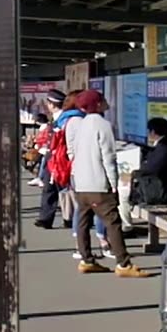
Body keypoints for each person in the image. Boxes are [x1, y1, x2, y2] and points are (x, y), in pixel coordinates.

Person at [64, 89, 142, 276]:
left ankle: (86, 260)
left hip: (81, 182)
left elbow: (73, 151)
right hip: (98, 183)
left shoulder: (79, 124)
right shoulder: (103, 125)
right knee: (112, 222)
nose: (106, 102)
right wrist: (114, 182)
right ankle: (124, 264)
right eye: (103, 100)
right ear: (97, 105)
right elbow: (108, 156)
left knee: (83, 222)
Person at [31, 91, 77, 229]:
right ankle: (46, 218)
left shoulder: (65, 119)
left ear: (52, 104)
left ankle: (69, 216)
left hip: (61, 158)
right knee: (49, 188)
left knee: (64, 188)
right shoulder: (57, 118)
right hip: (52, 157)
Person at [133, 117, 167, 206]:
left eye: (149, 131)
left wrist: (135, 173)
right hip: (160, 188)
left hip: (162, 192)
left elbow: (152, 168)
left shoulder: (165, 148)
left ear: (153, 132)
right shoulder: (164, 145)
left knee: (126, 196)